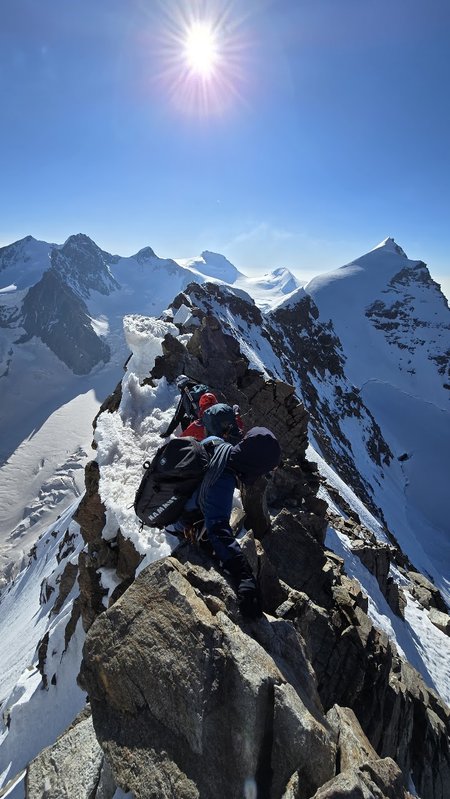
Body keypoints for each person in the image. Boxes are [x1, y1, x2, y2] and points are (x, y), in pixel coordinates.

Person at [167, 427, 281, 619]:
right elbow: (218, 532)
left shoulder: (217, 442)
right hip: (182, 522)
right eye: (264, 471)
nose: (263, 476)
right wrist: (244, 578)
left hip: (179, 498)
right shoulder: (223, 481)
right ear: (255, 466)